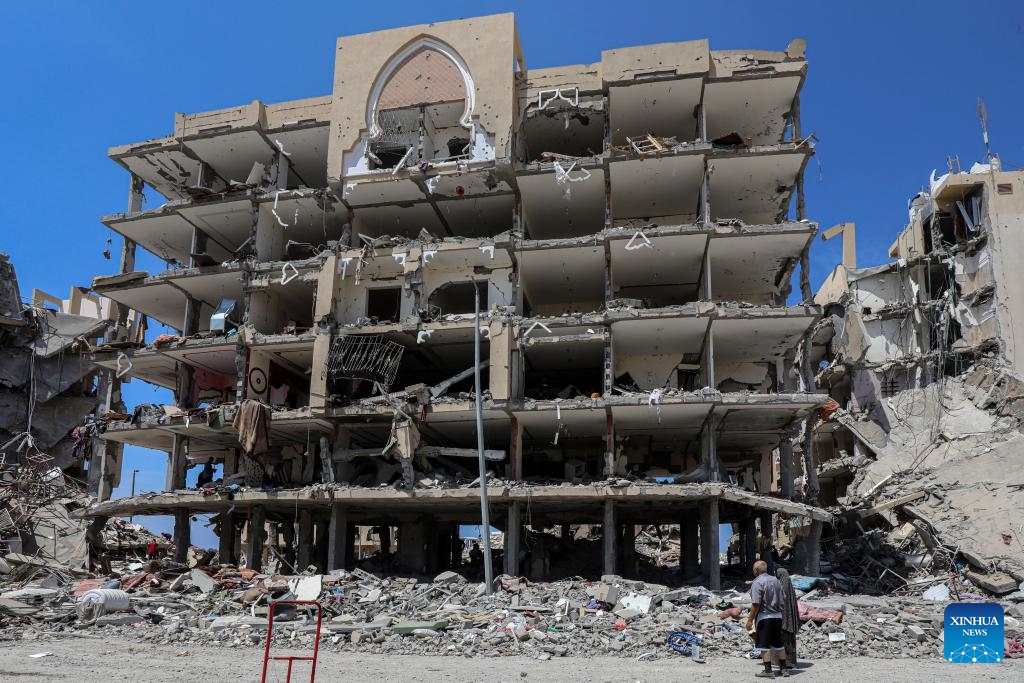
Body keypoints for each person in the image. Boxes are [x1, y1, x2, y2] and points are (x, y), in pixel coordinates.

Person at [746, 559, 788, 677]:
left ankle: (768, 670)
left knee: (764, 645)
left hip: (765, 617)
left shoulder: (757, 582)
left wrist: (749, 620)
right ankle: (784, 669)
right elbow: (783, 597)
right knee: (779, 644)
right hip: (778, 616)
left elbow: (755, 604)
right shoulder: (776, 580)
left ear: (756, 570)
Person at [775, 567, 799, 670]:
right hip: (790, 620)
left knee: (782, 641)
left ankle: (782, 662)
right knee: (789, 641)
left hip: (783, 619)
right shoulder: (790, 587)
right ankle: (790, 662)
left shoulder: (780, 587)